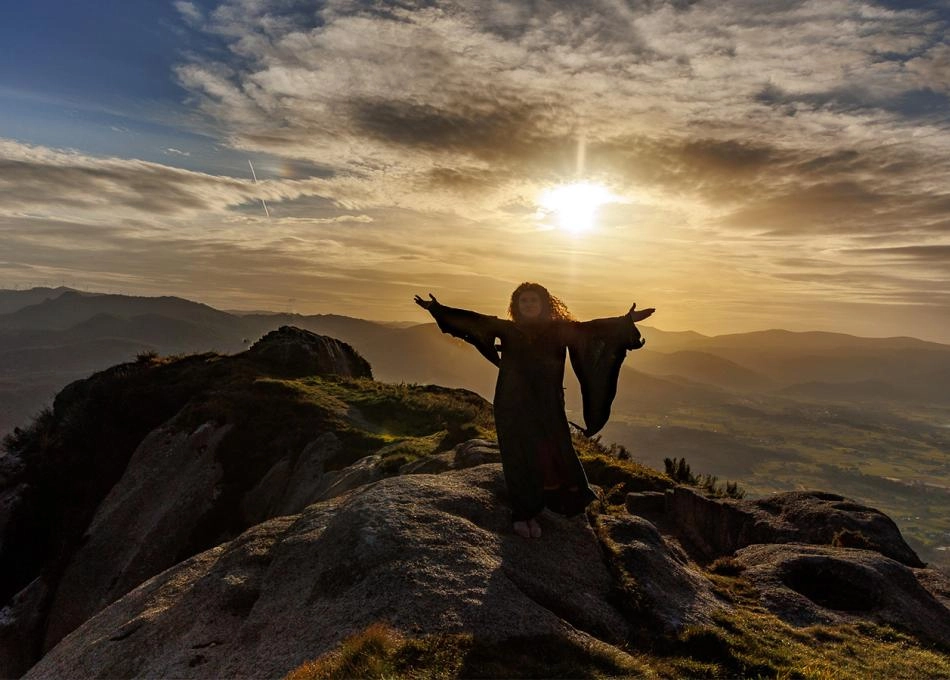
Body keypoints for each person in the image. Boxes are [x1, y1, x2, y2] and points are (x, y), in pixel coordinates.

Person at [414, 282, 654, 539]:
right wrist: (438, 310)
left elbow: (592, 330)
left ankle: (551, 503)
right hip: (512, 402)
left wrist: (626, 320)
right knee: (518, 453)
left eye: (533, 301)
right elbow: (473, 321)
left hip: (547, 401)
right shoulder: (507, 328)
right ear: (516, 306)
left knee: (553, 449)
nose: (528, 305)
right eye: (523, 301)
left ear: (544, 304)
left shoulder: (560, 330)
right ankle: (523, 513)